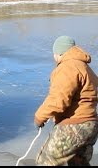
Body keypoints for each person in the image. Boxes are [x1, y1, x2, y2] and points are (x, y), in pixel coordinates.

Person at [34, 35, 98, 166]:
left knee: (45, 161)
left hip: (74, 125)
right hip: (90, 125)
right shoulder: (84, 67)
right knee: (78, 163)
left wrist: (39, 117)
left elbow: (58, 99)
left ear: (59, 53)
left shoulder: (68, 67)